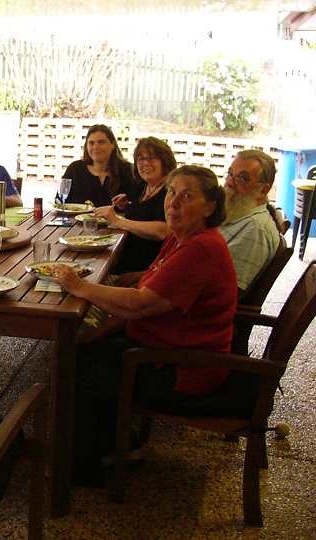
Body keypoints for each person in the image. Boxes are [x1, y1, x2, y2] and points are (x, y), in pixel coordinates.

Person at [53, 165, 242, 487]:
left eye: (187, 196)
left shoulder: (201, 249)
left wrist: (80, 287)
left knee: (73, 367)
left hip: (182, 368)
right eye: (171, 193)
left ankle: (88, 469)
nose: (173, 203)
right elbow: (146, 294)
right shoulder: (184, 237)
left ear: (210, 207)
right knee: (80, 350)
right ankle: (120, 448)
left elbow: (142, 305)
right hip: (161, 347)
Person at [94, 137, 175, 274]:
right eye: (140, 159)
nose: (145, 163)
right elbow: (143, 216)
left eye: (152, 158)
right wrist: (127, 207)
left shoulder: (170, 191)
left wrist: (118, 221)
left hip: (145, 271)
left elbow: (162, 230)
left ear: (165, 161)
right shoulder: (143, 185)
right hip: (123, 260)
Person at [219, 149, 281, 298]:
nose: (229, 183)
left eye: (243, 179)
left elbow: (225, 292)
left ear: (263, 190)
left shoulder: (255, 229)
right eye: (230, 174)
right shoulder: (237, 214)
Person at [60, 124, 136, 208]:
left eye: (101, 142)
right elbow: (59, 202)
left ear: (113, 144)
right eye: (91, 143)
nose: (96, 147)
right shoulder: (75, 169)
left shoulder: (129, 171)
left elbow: (136, 207)